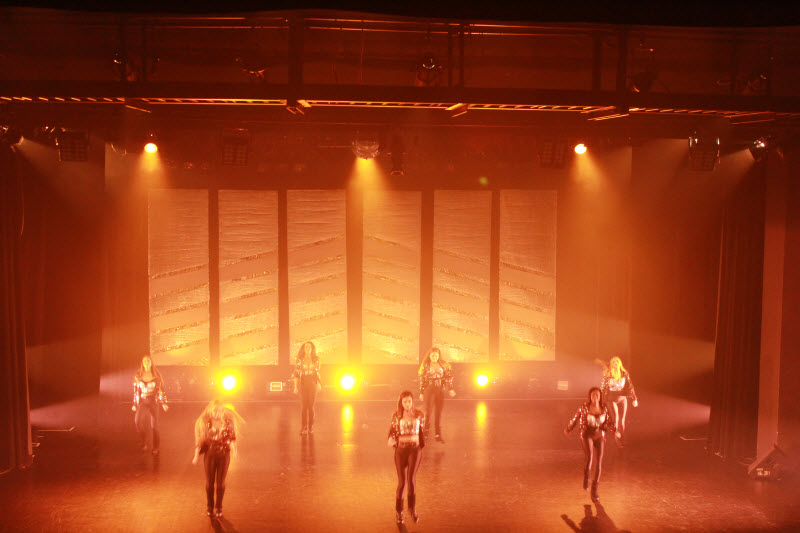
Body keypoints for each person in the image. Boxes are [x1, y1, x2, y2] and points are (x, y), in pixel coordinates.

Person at [564, 387, 620, 501]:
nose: (595, 397)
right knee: (589, 458)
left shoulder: (604, 407)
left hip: (599, 435)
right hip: (587, 435)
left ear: (600, 397)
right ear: (590, 396)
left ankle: (594, 490)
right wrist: (569, 428)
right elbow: (575, 418)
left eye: (597, 395)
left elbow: (609, 421)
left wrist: (615, 431)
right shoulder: (584, 407)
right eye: (593, 395)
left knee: (599, 463)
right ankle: (586, 478)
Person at [192, 400, 243, 518]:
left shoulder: (227, 423)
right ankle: (210, 507)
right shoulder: (205, 423)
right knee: (209, 484)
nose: (217, 414)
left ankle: (219, 507)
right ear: (210, 411)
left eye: (219, 411)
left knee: (220, 484)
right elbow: (200, 441)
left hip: (224, 455)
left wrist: (234, 450)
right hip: (210, 455)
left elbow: (232, 438)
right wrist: (196, 456)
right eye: (215, 411)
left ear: (222, 411)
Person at [387, 390, 425, 524]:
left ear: (412, 402)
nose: (407, 404)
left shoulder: (419, 415)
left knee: (411, 480)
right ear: (401, 403)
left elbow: (422, 432)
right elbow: (392, 432)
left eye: (409, 401)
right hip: (401, 451)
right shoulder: (396, 415)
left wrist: (419, 445)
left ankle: (412, 509)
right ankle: (399, 512)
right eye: (405, 402)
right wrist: (391, 440)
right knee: (402, 482)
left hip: (414, 450)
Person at [131, 355, 168, 455]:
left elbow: (161, 390)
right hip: (143, 401)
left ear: (151, 363)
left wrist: (163, 403)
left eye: (148, 361)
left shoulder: (156, 375)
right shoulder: (138, 375)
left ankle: (156, 447)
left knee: (154, 425)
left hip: (153, 401)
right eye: (144, 361)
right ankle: (144, 440)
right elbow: (136, 391)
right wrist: (135, 404)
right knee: (137, 421)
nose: (146, 362)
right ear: (142, 363)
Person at [596, 356, 638, 443]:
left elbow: (630, 386)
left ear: (619, 364)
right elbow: (603, 388)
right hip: (612, 399)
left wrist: (634, 398)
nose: (615, 363)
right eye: (613, 362)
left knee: (622, 421)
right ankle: (617, 439)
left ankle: (623, 438)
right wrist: (600, 401)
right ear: (611, 364)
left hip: (622, 399)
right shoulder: (608, 375)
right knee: (616, 419)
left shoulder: (624, 374)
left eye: (617, 362)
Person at [418, 347, 455, 442]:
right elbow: (422, 379)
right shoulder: (426, 365)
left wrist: (450, 388)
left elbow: (449, 377)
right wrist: (421, 392)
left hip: (440, 390)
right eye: (432, 355)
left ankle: (438, 434)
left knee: (438, 412)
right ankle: (425, 433)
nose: (434, 357)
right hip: (429, 390)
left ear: (439, 356)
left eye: (436, 355)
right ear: (429, 356)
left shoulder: (443, 365)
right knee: (428, 412)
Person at [292, 341, 322, 435]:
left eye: (309, 347)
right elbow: (296, 374)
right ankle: (304, 426)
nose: (308, 348)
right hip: (303, 384)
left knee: (311, 406)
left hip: (312, 384)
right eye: (306, 347)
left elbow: (317, 372)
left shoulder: (316, 359)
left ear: (312, 349)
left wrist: (319, 383)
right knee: (304, 406)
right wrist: (295, 386)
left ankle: (311, 427)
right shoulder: (299, 360)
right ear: (304, 349)